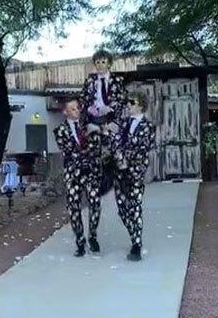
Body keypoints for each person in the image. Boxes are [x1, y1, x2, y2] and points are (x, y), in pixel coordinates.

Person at [53, 98, 102, 257]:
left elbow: (96, 148)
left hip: (90, 172)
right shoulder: (60, 131)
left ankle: (92, 235)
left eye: (78, 108)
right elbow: (69, 151)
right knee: (74, 207)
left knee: (95, 204)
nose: (77, 111)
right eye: (72, 108)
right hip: (73, 173)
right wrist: (86, 154)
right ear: (65, 112)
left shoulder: (88, 127)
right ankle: (80, 241)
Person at [112, 96, 155, 261]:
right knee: (122, 208)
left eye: (132, 103)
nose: (128, 105)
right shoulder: (123, 123)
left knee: (135, 206)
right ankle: (134, 234)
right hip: (120, 173)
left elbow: (142, 148)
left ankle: (136, 244)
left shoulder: (148, 127)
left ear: (141, 106)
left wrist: (125, 158)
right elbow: (115, 143)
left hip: (135, 172)